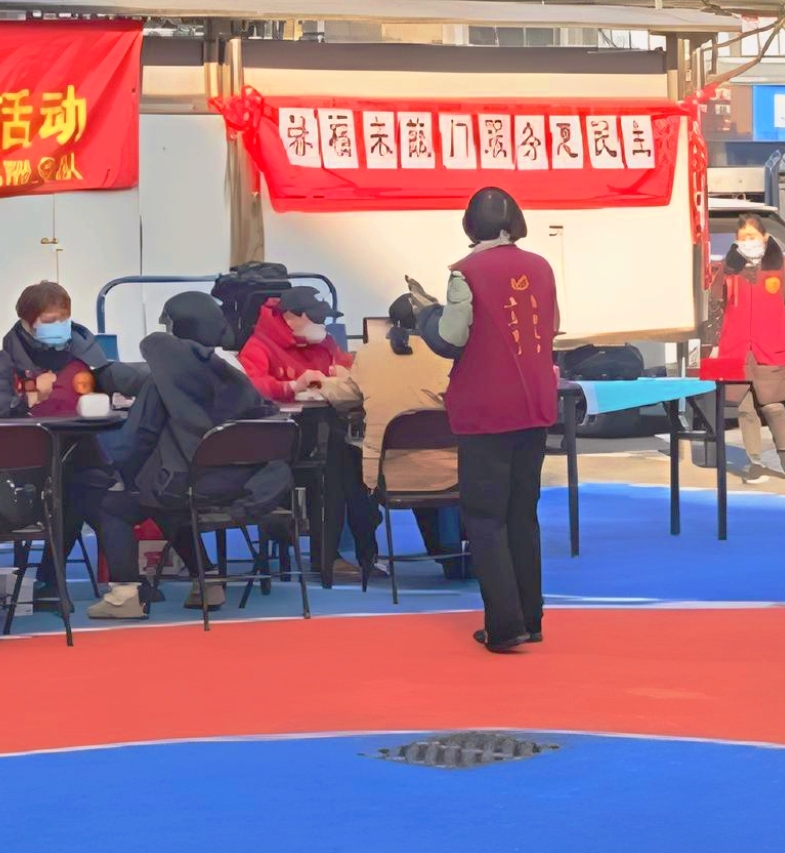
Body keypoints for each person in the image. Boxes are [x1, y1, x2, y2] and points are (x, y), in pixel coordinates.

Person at [72, 292, 280, 619]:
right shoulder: (235, 372)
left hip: (189, 485)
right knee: (162, 496)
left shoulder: (164, 380)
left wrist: (112, 469)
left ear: (177, 327)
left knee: (114, 504)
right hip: (242, 484)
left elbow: (137, 438)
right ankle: (207, 582)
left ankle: (124, 596)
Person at [432, 186, 560, 654]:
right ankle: (531, 616)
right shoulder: (541, 266)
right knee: (522, 514)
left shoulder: (464, 273)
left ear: (470, 224)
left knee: (486, 519)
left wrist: (427, 316)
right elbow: (550, 325)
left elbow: (451, 337)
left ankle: (504, 625)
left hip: (485, 409)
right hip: (534, 404)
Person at [305, 292, 470, 580]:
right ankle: (454, 554)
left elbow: (346, 396)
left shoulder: (369, 355)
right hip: (451, 473)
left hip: (386, 476)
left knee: (347, 457)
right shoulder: (450, 358)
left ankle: (367, 555)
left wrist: (320, 382)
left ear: (391, 324)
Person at [706, 215, 785, 480]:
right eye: (742, 237)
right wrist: (712, 345)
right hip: (734, 348)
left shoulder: (782, 264)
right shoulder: (728, 266)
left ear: (764, 237)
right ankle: (755, 462)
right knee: (743, 407)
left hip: (771, 346)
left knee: (772, 405)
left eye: (751, 236)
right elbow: (715, 305)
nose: (747, 241)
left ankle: (784, 451)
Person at [0, 281, 117, 418]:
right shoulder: (9, 358)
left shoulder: (85, 350)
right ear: (26, 324)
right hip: (33, 430)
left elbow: (113, 387)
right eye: (49, 321)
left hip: (83, 429)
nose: (58, 325)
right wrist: (30, 398)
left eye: (63, 319)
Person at [238, 281, 351, 404]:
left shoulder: (326, 342)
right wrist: (292, 386)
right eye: (317, 317)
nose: (322, 324)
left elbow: (348, 365)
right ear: (291, 316)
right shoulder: (258, 346)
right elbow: (250, 386)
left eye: (324, 318)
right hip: (283, 413)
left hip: (326, 410)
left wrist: (348, 376)